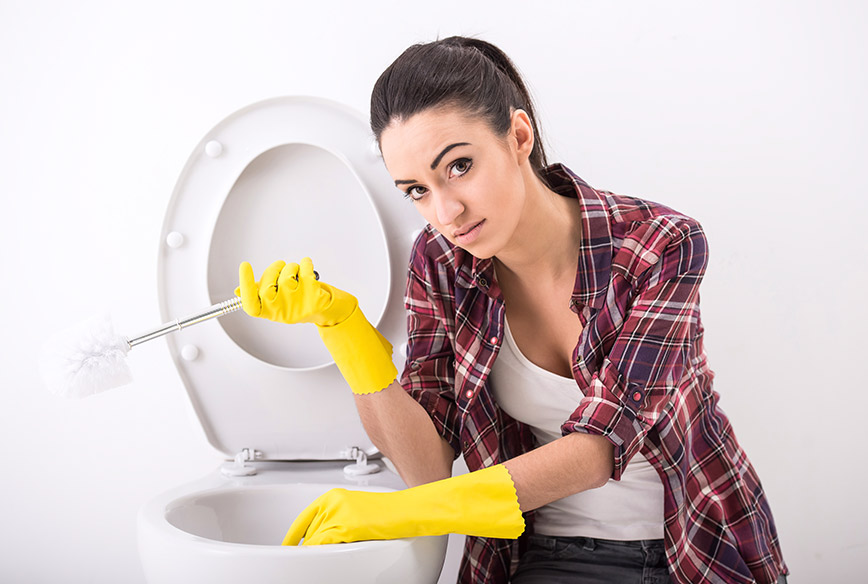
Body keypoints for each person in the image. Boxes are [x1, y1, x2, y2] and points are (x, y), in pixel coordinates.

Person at [236, 36, 788, 584]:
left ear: (518, 136)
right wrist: (345, 330)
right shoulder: (440, 263)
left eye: (458, 167)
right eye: (416, 191)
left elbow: (599, 449)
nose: (446, 211)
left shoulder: (658, 244)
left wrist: (393, 514)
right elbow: (427, 467)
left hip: (696, 547)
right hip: (545, 555)